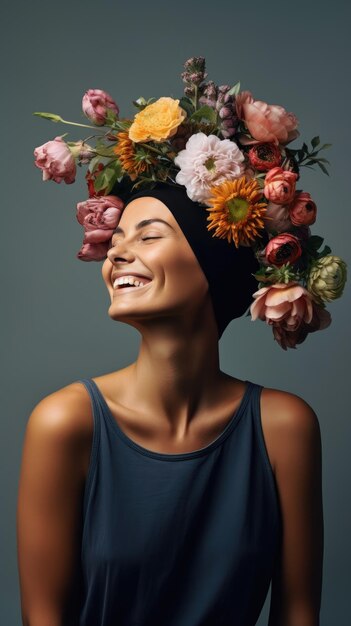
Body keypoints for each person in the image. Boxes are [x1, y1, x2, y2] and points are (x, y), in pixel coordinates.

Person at [17, 183, 324, 626]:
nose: (116, 255)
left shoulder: (283, 426)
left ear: (213, 263)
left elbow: (298, 614)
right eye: (117, 240)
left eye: (148, 235)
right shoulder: (65, 422)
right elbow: (43, 617)